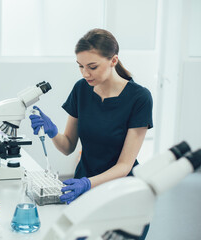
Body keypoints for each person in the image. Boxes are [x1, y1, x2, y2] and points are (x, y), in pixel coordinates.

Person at [29, 28, 153, 238]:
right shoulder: (81, 89)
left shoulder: (139, 98)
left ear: (113, 60)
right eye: (80, 67)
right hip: (83, 189)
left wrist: (88, 183)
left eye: (92, 67)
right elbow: (67, 145)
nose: (85, 73)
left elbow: (124, 166)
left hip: (120, 194)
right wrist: (52, 132)